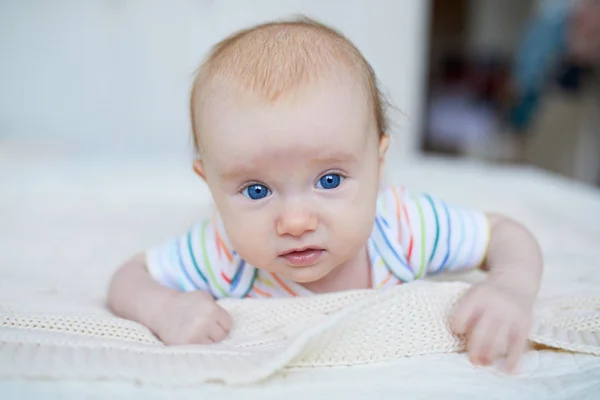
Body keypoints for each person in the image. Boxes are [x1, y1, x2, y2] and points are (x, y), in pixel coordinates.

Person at [107, 18, 543, 373]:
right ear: (211, 186)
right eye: (256, 190)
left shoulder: (404, 228)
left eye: (330, 180)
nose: (295, 222)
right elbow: (129, 276)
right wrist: (165, 309)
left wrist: (510, 288)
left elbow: (503, 234)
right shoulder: (223, 252)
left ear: (378, 163)